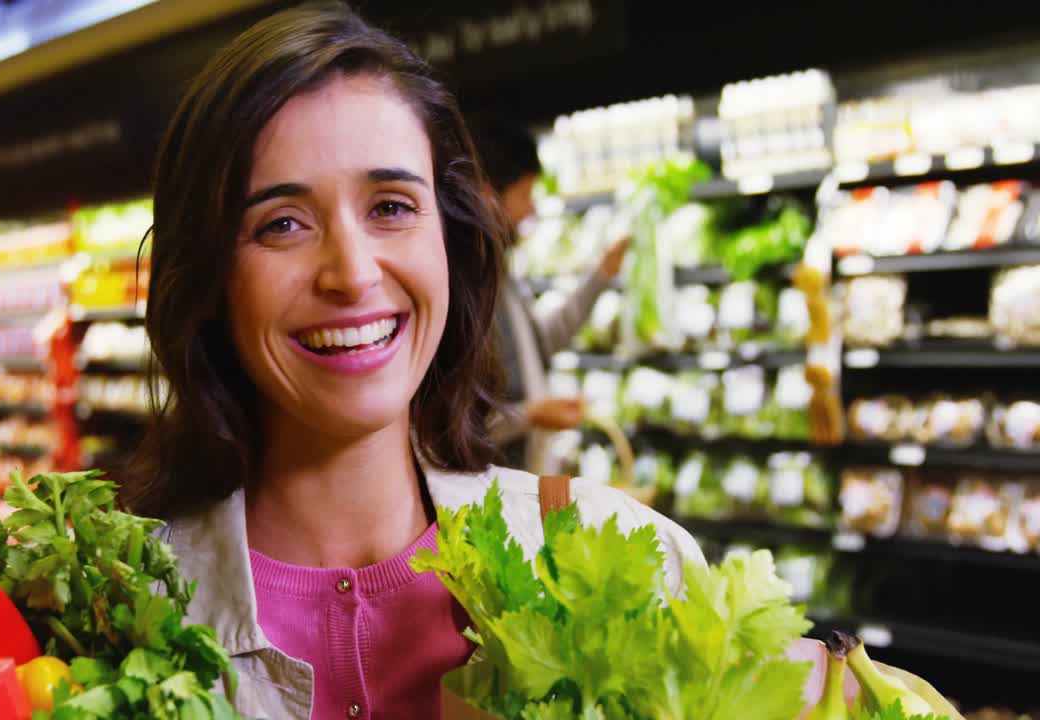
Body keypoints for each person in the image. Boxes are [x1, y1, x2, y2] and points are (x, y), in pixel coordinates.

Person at [124, 4, 703, 719]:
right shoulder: (116, 616)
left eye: (391, 207)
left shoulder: (636, 569)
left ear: (451, 242)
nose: (352, 272)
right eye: (282, 224)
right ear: (208, 278)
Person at [473, 119, 629, 472]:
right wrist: (530, 415)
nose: (531, 211)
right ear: (486, 194)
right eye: (525, 196)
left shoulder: (500, 277)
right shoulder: (464, 293)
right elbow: (447, 432)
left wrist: (601, 274)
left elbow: (543, 342)